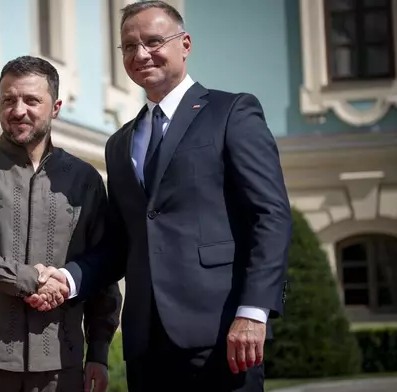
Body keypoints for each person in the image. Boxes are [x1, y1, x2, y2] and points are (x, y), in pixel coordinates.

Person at [28, 2, 292, 391]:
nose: (140, 54)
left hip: (222, 334)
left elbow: (270, 215)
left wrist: (254, 312)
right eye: (129, 46)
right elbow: (120, 243)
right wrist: (69, 278)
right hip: (146, 344)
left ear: (185, 44)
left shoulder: (231, 112)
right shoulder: (119, 144)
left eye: (153, 41)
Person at [0, 55, 122, 392]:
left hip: (60, 373)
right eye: (9, 100)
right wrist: (29, 279)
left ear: (56, 107)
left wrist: (97, 352)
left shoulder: (84, 180)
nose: (18, 110)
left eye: (31, 100)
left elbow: (102, 269)